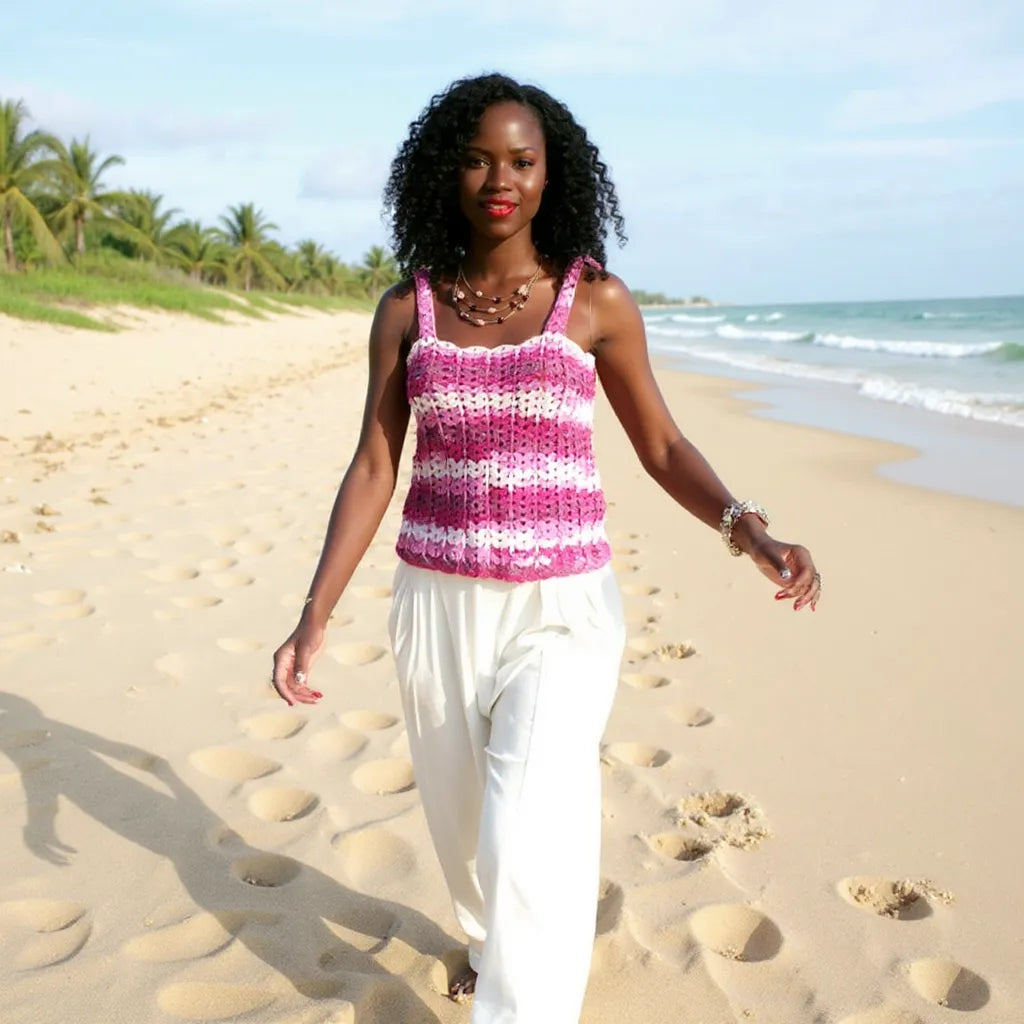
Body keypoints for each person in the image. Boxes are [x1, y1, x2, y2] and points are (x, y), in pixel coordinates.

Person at [272, 73, 820, 1024]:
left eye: (522, 161)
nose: (501, 178)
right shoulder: (408, 311)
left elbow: (661, 444)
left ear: (549, 173)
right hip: (436, 604)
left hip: (565, 607)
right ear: (447, 171)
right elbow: (373, 464)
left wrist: (751, 530)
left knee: (530, 818)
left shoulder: (594, 301)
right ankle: (490, 948)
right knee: (465, 829)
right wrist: (313, 614)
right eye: (480, 158)